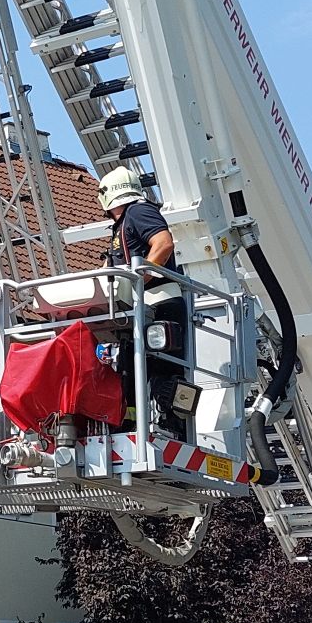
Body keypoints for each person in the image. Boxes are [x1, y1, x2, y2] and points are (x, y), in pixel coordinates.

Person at [99, 166, 193, 437]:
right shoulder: (122, 224)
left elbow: (163, 243)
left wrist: (143, 277)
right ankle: (131, 426)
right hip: (138, 309)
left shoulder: (139, 211)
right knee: (131, 371)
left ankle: (172, 429)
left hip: (159, 304)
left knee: (163, 372)